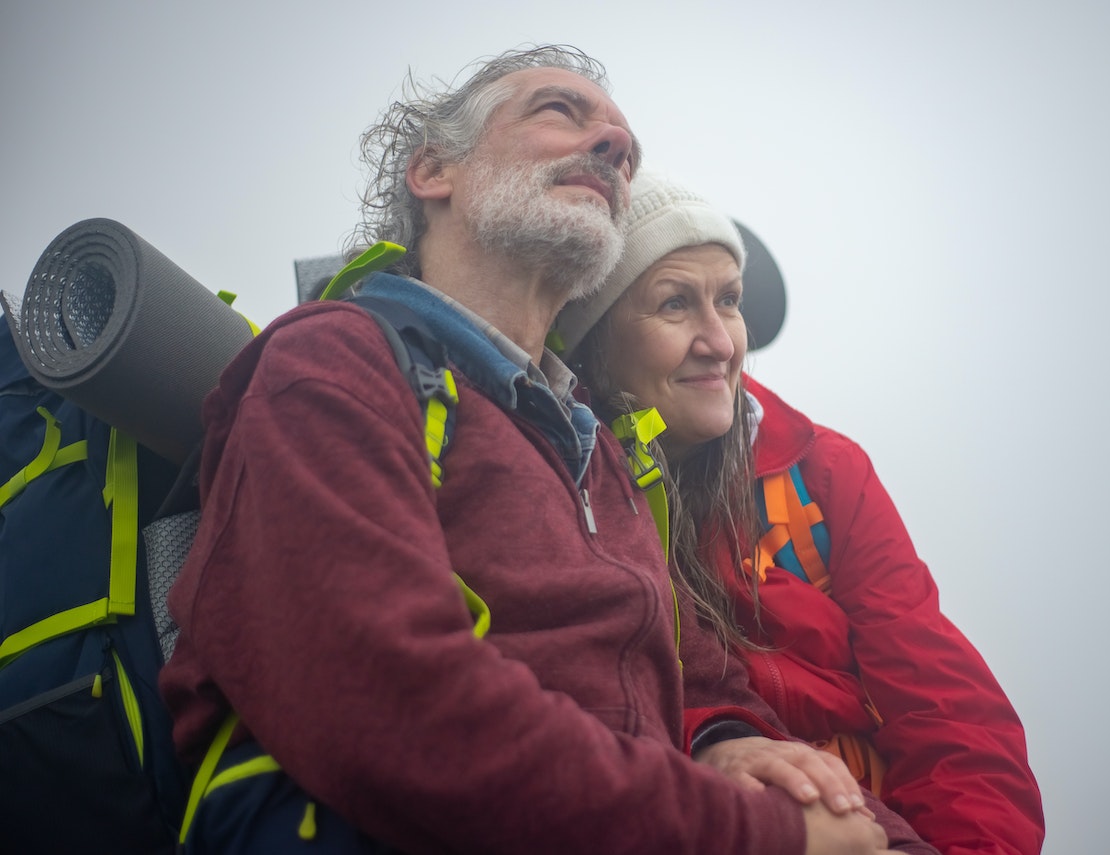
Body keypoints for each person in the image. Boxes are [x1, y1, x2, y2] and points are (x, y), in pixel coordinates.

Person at [159, 46, 936, 854]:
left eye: (626, 148)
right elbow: (387, 698)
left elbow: (709, 686)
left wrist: (727, 740)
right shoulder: (335, 360)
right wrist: (769, 834)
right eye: (560, 111)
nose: (614, 146)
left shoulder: (605, 458)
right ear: (433, 170)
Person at [557, 168, 1047, 855]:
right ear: (596, 339)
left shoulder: (823, 470)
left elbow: (946, 705)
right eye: (675, 304)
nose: (721, 341)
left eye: (729, 301)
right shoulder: (556, 487)